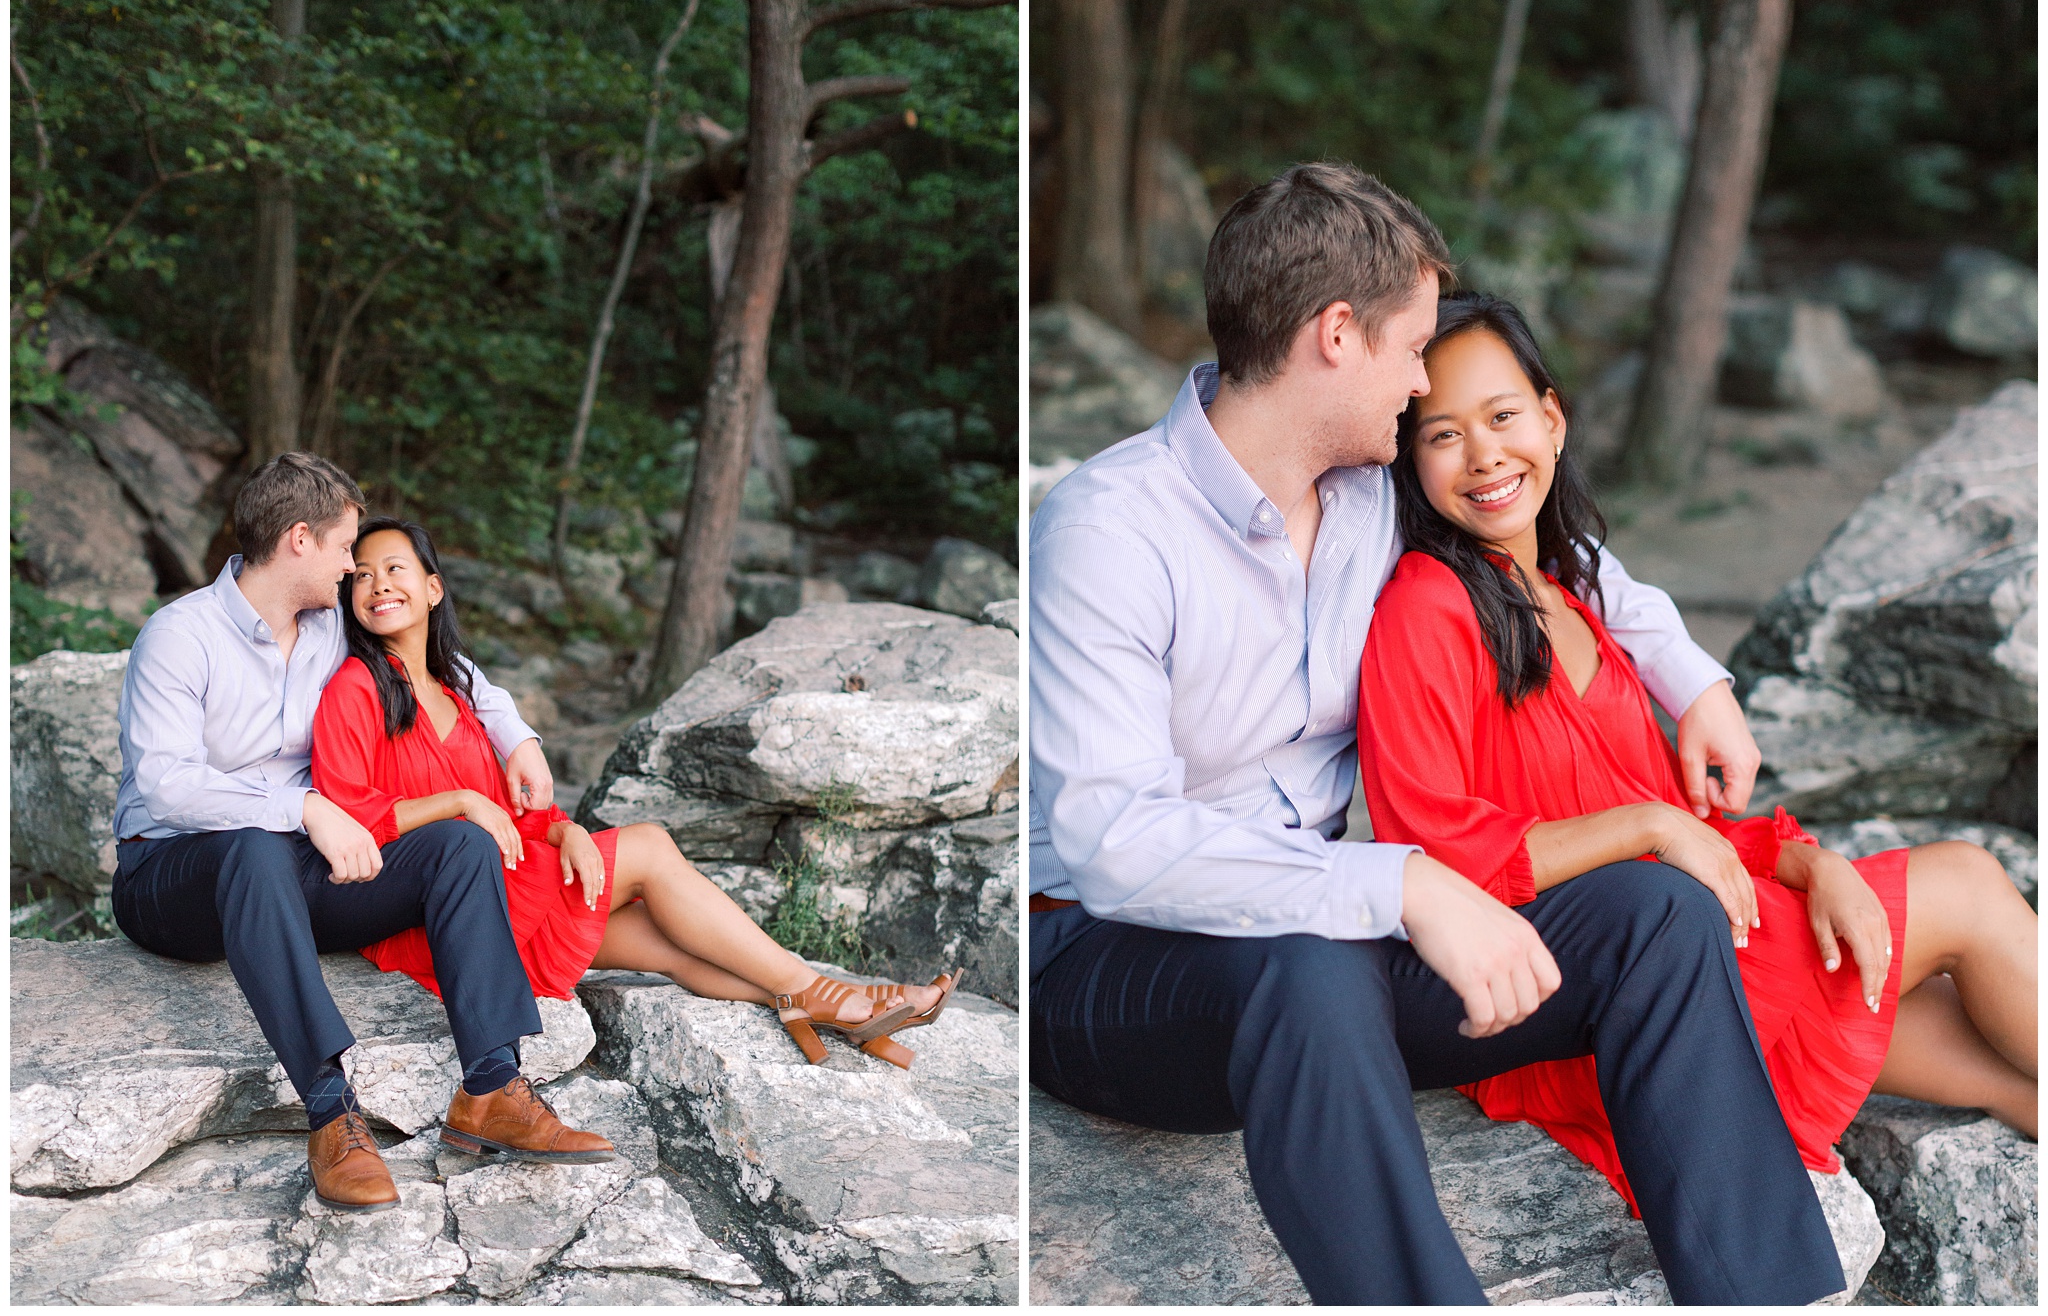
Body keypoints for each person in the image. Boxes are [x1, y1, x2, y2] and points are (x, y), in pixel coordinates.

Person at [1028, 162, 1851, 1304]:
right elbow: (1114, 841)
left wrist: (1690, 678)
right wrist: (1404, 883)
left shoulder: (1368, 491)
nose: (1421, 381)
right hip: (1109, 967)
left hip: (1334, 939)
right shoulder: (1109, 529)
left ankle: (1763, 1295)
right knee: (1305, 969)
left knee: (1653, 914)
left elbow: (1557, 557)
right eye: (1410, 347)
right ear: (1333, 337)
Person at [1357, 290, 2037, 1211]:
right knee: (1965, 881)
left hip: (1699, 932)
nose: (1483, 454)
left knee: (2008, 1079)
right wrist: (1646, 825)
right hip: (1609, 980)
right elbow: (1435, 858)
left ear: (1552, 419)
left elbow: (1691, 827)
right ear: (1409, 459)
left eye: (1503, 414)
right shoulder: (1425, 608)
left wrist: (1808, 860)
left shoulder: (1568, 590)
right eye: (1441, 434)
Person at [111, 452, 614, 1216]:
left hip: (292, 871)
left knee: (460, 843)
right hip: (172, 875)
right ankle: (330, 1110)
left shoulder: (325, 630)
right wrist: (305, 809)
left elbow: (444, 663)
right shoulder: (180, 636)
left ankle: (492, 1086)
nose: (357, 567)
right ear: (302, 540)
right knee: (251, 842)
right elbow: (167, 785)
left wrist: (518, 735)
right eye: (347, 547)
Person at [309, 516, 958, 1072]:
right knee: (647, 847)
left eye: (393, 567)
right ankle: (835, 995)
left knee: (668, 942)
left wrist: (564, 831)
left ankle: (807, 1002)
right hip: (438, 911)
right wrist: (459, 805)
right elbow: (344, 814)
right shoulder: (356, 687)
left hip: (506, 888)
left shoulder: (459, 696)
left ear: (432, 588)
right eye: (360, 574)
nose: (377, 584)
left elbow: (515, 813)